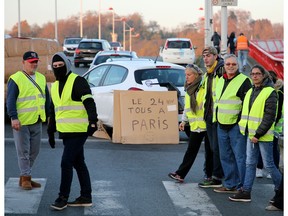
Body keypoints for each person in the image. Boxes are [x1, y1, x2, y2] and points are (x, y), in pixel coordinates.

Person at [48, 52, 98, 211]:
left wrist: (93, 121)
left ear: (67, 65)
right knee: (78, 162)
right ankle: (86, 196)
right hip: (65, 132)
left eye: (60, 65)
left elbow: (89, 101)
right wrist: (50, 130)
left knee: (66, 162)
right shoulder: (54, 86)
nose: (58, 68)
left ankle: (62, 197)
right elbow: (54, 109)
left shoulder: (78, 81)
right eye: (55, 67)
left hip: (79, 130)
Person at [229, 65, 282, 204]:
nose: (255, 76)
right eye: (252, 74)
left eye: (258, 74)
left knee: (269, 165)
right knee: (250, 164)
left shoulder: (270, 92)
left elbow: (269, 117)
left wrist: (258, 134)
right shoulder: (251, 90)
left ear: (263, 75)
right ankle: (246, 191)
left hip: (262, 136)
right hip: (251, 135)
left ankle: (281, 191)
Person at [6, 51, 50, 190]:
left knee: (34, 151)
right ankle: (26, 177)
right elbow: (10, 100)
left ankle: (25, 176)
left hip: (37, 120)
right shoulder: (16, 78)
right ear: (23, 62)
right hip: (22, 121)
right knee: (23, 151)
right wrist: (13, 117)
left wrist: (48, 114)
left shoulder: (41, 78)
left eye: (36, 61)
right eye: (31, 62)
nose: (34, 64)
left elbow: (46, 98)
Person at [213, 54, 252, 193]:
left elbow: (248, 105)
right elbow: (217, 101)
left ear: (238, 66)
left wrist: (242, 123)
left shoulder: (244, 81)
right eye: (228, 64)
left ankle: (243, 187)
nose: (230, 66)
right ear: (224, 66)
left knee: (240, 157)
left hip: (236, 126)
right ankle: (230, 184)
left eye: (233, 64)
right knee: (226, 156)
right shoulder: (221, 80)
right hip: (221, 124)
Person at [168, 64, 207, 182]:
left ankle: (212, 176)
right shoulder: (188, 88)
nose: (186, 77)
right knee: (191, 151)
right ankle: (180, 174)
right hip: (196, 126)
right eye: (185, 75)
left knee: (211, 153)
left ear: (196, 75)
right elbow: (187, 107)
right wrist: (184, 121)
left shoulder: (203, 86)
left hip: (207, 125)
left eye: (189, 75)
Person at [198, 46, 224, 188]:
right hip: (209, 115)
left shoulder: (220, 70)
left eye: (208, 55)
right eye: (204, 56)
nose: (205, 58)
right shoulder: (208, 73)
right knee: (211, 148)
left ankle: (217, 177)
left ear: (215, 56)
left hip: (218, 116)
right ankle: (212, 174)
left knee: (216, 148)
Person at [256, 70, 283, 178]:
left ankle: (271, 169)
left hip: (274, 125)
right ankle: (260, 168)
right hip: (266, 123)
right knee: (263, 147)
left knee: (272, 148)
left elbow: (279, 110)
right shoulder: (265, 91)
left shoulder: (278, 93)